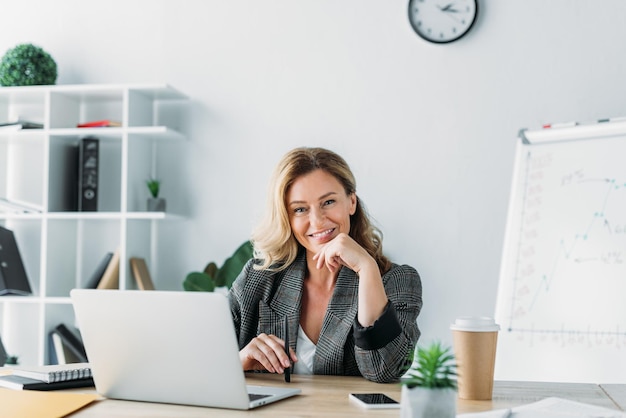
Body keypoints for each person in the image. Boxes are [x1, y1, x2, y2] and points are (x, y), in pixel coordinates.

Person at [228, 147, 422, 383]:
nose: (317, 221)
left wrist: (367, 268)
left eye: (328, 202)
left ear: (351, 202)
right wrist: (239, 362)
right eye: (300, 209)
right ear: (286, 218)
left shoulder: (397, 281)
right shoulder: (257, 278)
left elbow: (384, 371)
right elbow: (200, 366)